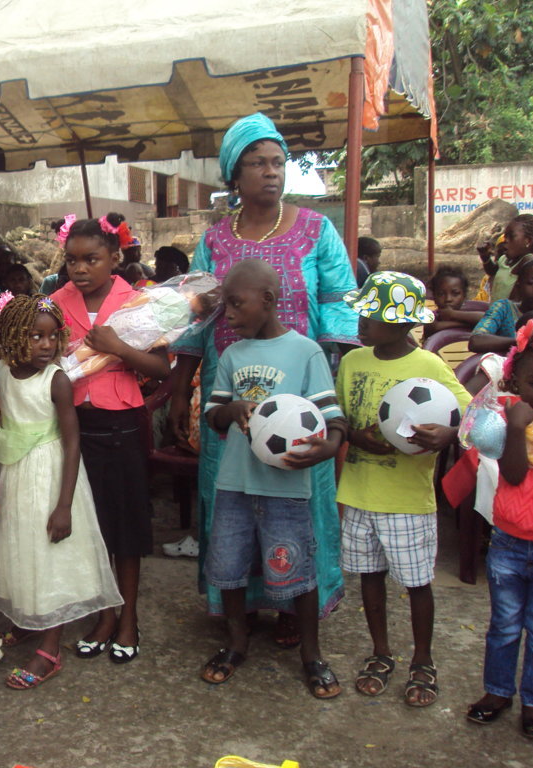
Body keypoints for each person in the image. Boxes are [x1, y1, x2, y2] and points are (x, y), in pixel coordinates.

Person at [167, 112, 357, 648]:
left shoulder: (317, 230)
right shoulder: (214, 241)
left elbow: (338, 303)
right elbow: (197, 315)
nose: (271, 173)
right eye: (257, 163)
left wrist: (330, 376)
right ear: (235, 175)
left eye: (278, 162)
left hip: (299, 398)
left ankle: (297, 604)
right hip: (232, 398)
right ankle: (240, 606)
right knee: (229, 501)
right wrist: (183, 388)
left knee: (296, 499)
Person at [198, 261, 344, 698]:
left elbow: (333, 417)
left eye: (237, 304)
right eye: (225, 306)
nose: (229, 314)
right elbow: (212, 414)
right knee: (228, 566)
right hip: (234, 485)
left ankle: (312, 654)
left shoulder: (305, 353)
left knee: (296, 566)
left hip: (285, 488)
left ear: (268, 300)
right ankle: (236, 643)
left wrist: (329, 445)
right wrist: (232, 409)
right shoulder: (232, 356)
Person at [337, 272, 470, 707]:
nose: (360, 323)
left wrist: (446, 436)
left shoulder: (428, 366)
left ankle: (423, 660)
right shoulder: (353, 362)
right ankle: (380, 653)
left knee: (416, 584)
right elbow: (341, 420)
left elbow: (469, 417)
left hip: (408, 499)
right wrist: (356, 438)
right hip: (358, 493)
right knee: (369, 578)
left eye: (369, 315)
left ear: (398, 323)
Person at [52, 218, 170, 664]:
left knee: (127, 527)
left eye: (91, 259)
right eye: (71, 260)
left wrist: (118, 347)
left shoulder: (135, 301)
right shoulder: (58, 301)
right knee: (92, 528)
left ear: (115, 259)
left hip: (122, 427)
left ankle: (128, 617)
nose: (79, 269)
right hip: (73, 428)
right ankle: (104, 613)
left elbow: (160, 368)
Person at [0, 295, 122, 689]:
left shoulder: (57, 379)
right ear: (12, 337)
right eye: (34, 336)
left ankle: (51, 646)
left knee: (49, 555)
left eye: (52, 337)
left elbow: (72, 441)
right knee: (20, 548)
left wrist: (64, 505)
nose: (46, 345)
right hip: (15, 473)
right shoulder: (1, 369)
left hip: (51, 474)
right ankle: (30, 620)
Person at [465, 320, 533, 738]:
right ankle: (497, 691)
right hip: (510, 543)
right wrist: (515, 428)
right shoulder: (509, 419)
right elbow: (511, 476)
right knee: (505, 624)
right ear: (515, 380)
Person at [470, 258, 533, 354]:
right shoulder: (503, 308)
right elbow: (476, 341)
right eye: (531, 283)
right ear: (518, 285)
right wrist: (521, 341)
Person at [481, 214, 533, 302]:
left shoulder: (528, 262)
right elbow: (492, 272)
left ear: (528, 241)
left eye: (511, 236)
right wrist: (485, 257)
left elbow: (515, 300)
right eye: (505, 237)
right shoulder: (505, 259)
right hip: (497, 311)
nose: (505, 240)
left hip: (509, 313)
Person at [423, 265, 485, 339]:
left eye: (455, 294)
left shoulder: (469, 314)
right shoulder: (432, 317)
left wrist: (453, 314)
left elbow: (487, 318)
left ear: (464, 296)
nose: (448, 299)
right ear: (434, 296)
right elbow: (434, 327)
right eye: (441, 294)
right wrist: (471, 324)